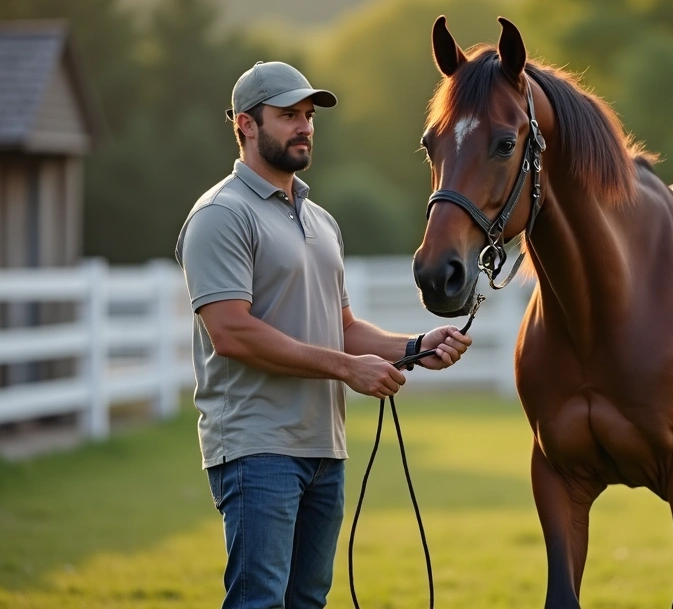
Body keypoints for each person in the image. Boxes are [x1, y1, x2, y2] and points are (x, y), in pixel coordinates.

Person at [173, 61, 473, 609]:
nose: (305, 126)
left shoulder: (321, 221)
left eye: (309, 115)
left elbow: (345, 329)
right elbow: (232, 332)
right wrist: (346, 368)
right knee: (258, 601)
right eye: (288, 115)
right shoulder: (221, 215)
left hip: (323, 448)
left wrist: (414, 347)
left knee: (308, 600)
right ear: (245, 124)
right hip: (256, 446)